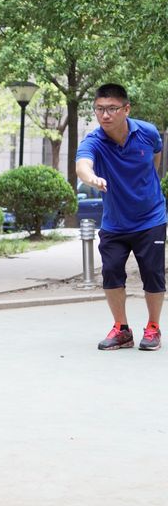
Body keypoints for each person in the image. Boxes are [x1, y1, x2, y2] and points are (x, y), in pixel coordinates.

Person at [76, 83, 166, 351]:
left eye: (112, 109)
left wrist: (147, 186)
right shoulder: (94, 141)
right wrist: (91, 177)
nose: (105, 115)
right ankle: (121, 329)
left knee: (152, 274)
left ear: (126, 109)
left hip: (151, 218)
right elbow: (82, 165)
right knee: (112, 273)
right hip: (115, 222)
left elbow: (156, 158)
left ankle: (153, 328)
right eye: (100, 109)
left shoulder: (147, 132)